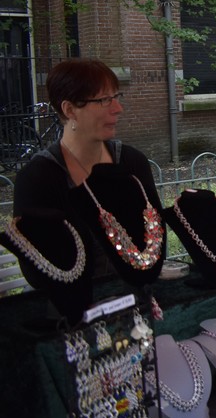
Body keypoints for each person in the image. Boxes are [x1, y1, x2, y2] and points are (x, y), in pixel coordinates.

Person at [13, 58, 160, 277]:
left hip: (139, 292)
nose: (118, 109)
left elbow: (156, 239)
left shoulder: (132, 163)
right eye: (104, 100)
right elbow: (36, 271)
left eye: (116, 97)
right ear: (70, 109)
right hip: (72, 299)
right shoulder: (38, 178)